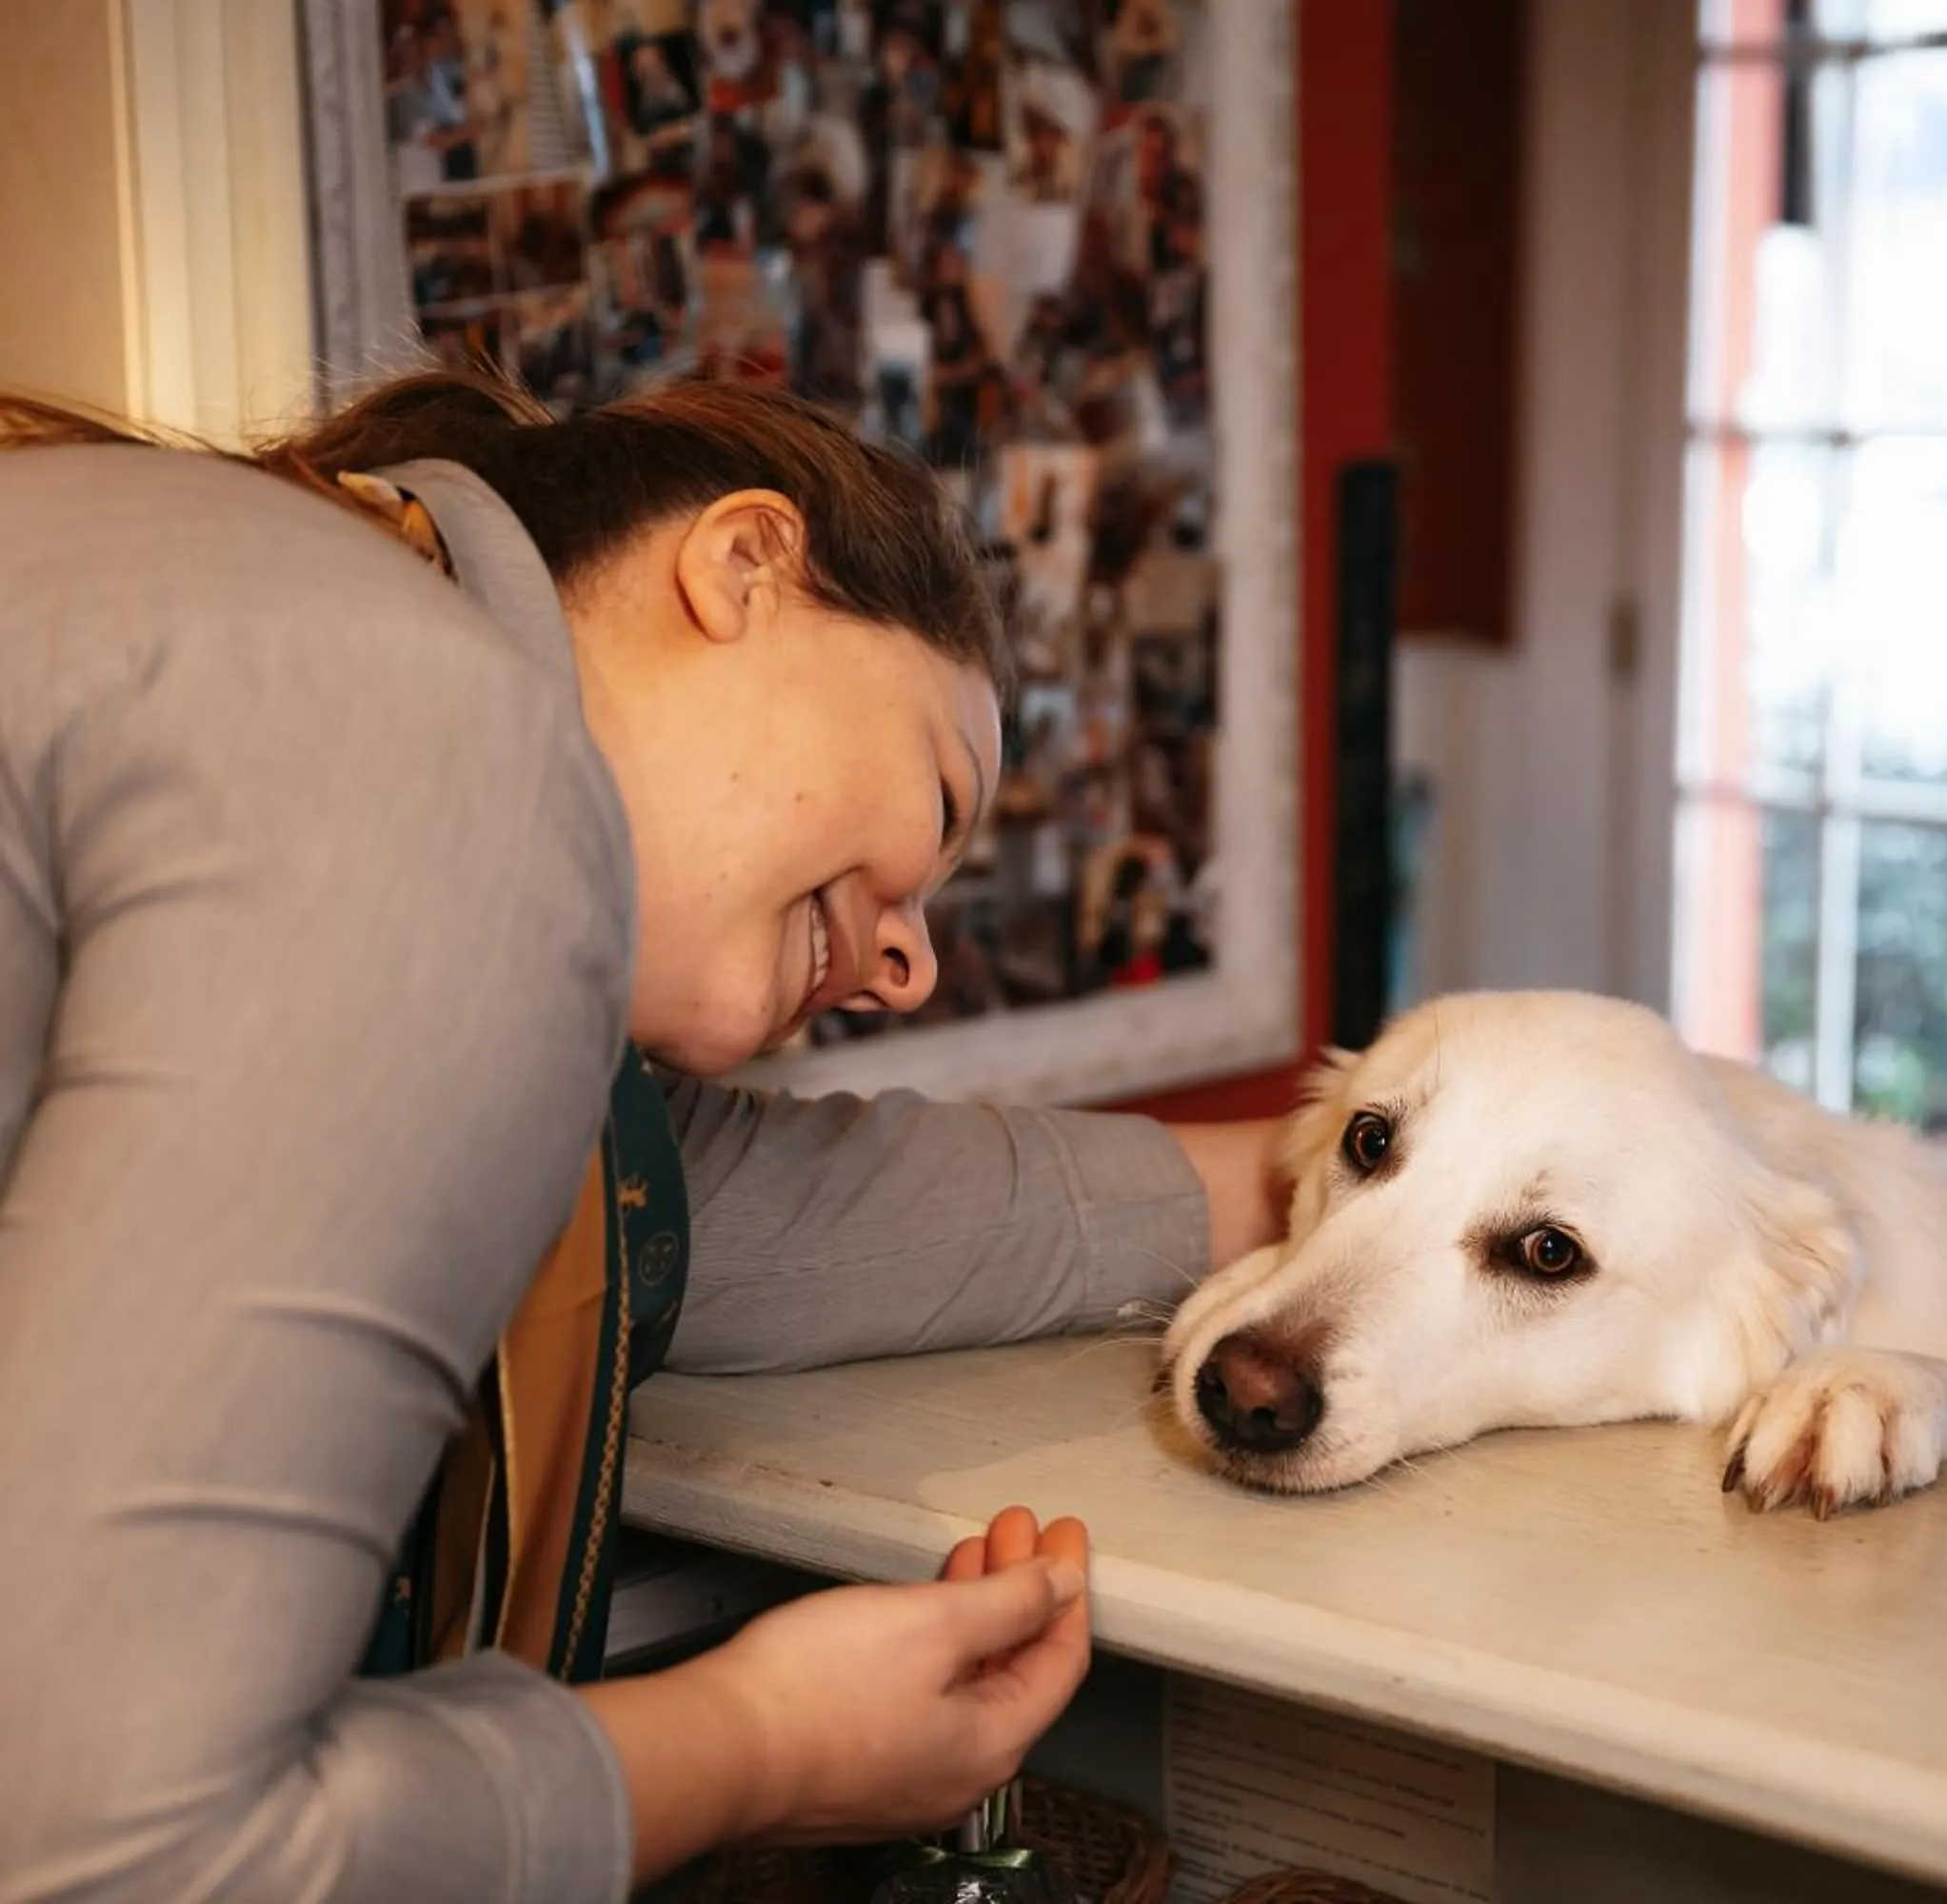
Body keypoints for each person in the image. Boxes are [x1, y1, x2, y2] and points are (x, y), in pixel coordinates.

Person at [0, 370, 1285, 1900]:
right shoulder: (430, 753)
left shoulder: (267, 606)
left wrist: (1352, 1172)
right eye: (935, 800)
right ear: (746, 565)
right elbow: (124, 1854)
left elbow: (761, 1209)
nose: (910, 965)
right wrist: (765, 1744)